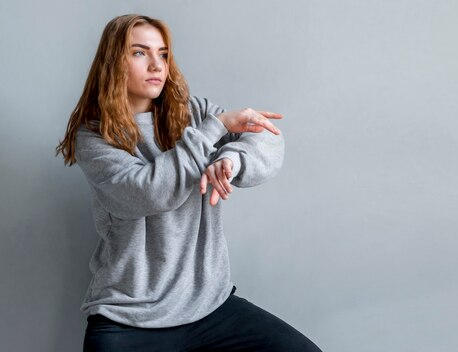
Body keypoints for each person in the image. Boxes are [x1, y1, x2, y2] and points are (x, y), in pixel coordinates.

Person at [56, 14, 322, 352]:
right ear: (113, 62)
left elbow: (266, 138)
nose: (156, 64)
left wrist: (231, 159)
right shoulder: (95, 136)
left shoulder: (194, 113)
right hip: (129, 318)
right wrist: (214, 130)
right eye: (139, 53)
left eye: (163, 53)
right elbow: (147, 193)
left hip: (211, 308)